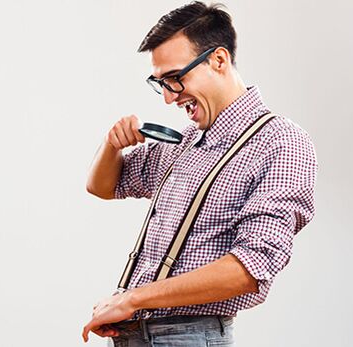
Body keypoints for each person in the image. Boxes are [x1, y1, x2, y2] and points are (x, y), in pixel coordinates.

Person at [81, 2, 318, 346]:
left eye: (175, 79)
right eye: (160, 82)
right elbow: (102, 186)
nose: (167, 97)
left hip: (188, 337)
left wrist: (133, 298)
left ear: (218, 60)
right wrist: (111, 145)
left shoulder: (281, 141)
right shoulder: (186, 142)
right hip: (134, 336)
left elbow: (251, 267)